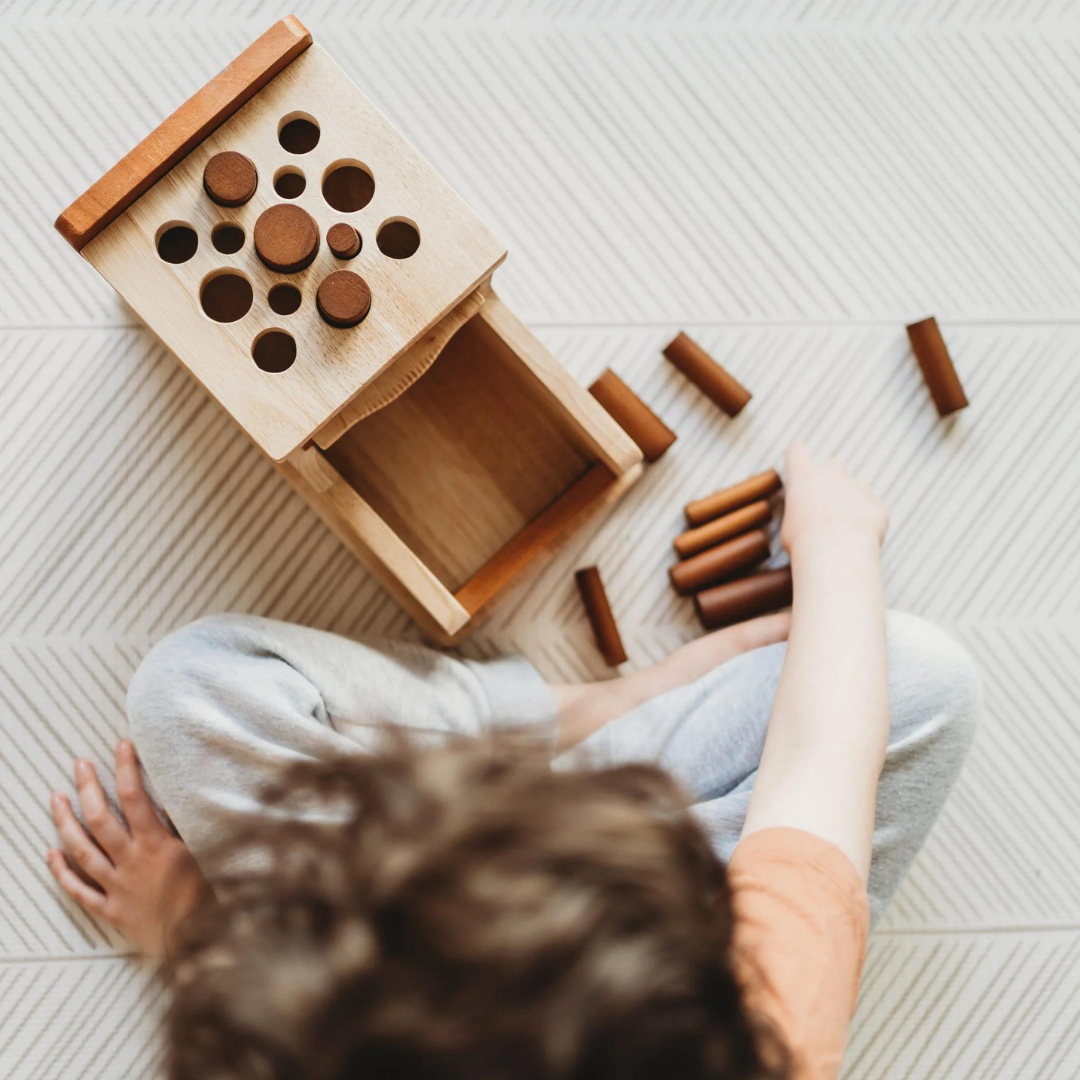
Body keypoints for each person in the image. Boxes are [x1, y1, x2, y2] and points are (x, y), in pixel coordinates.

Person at [45, 444, 980, 1080]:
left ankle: (577, 732)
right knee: (917, 677)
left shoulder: (325, 1025)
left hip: (432, 899)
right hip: (666, 853)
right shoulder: (758, 1024)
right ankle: (605, 722)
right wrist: (839, 541)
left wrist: (188, 926)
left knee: (190, 687)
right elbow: (826, 753)